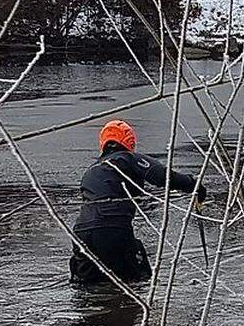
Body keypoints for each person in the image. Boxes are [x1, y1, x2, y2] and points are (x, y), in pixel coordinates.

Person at [70, 120, 206, 285]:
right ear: (129, 141)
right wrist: (194, 185)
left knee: (88, 287)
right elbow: (162, 176)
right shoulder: (126, 158)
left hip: (81, 234)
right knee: (137, 281)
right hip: (113, 229)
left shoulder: (91, 170)